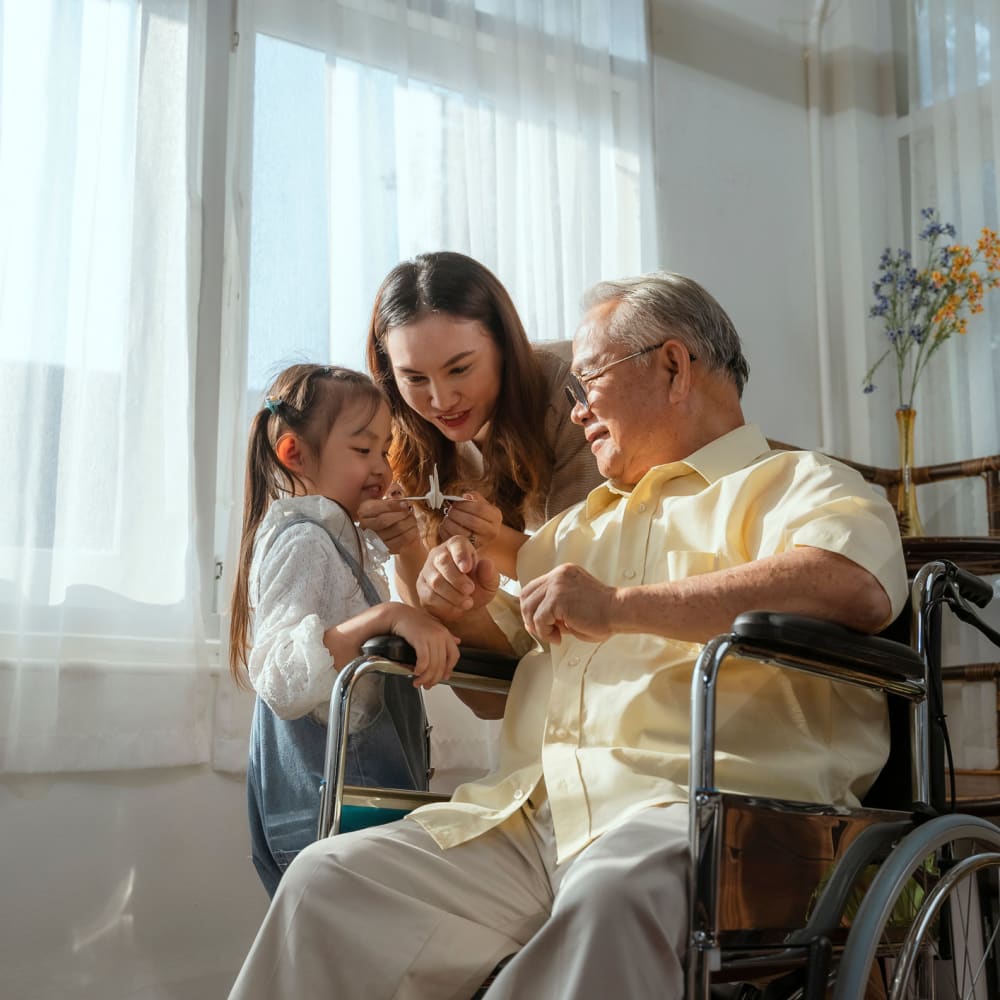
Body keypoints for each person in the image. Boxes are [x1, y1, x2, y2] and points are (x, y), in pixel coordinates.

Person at [228, 274, 907, 997]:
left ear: (674, 366)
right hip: (526, 816)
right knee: (327, 883)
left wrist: (617, 605)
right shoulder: (575, 529)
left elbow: (851, 585)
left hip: (697, 811)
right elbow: (498, 677)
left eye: (587, 384)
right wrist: (449, 597)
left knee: (611, 900)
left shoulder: (800, 483)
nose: (576, 410)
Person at [228, 364, 461, 897]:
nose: (381, 466)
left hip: (358, 813)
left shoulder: (336, 544)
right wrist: (387, 617)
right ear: (295, 455)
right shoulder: (303, 543)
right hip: (329, 818)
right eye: (363, 451)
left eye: (384, 450)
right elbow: (283, 678)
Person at [359, 251, 604, 594]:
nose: (441, 401)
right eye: (414, 378)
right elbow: (428, 610)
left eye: (459, 369)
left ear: (505, 345)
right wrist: (406, 545)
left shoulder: (574, 395)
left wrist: (495, 541)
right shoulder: (404, 429)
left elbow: (590, 571)